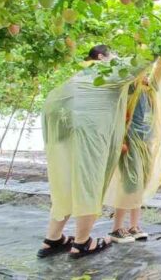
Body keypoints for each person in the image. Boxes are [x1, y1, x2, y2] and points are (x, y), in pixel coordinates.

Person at [38, 45, 149, 259]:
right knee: (89, 178)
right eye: (115, 54)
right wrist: (160, 48)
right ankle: (82, 243)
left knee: (66, 180)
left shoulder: (82, 73)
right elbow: (142, 60)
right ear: (101, 57)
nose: (118, 58)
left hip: (58, 114)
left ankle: (52, 238)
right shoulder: (106, 70)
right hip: (86, 122)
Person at [104, 57, 161, 243]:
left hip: (146, 143)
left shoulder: (150, 89)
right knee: (131, 184)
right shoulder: (131, 88)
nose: (145, 74)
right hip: (131, 142)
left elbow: (159, 68)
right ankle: (116, 228)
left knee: (140, 184)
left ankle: (134, 226)